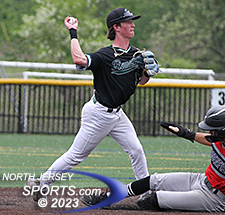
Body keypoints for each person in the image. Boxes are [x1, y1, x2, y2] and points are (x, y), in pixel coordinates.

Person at [27, 7, 160, 201]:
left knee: (136, 150)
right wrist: (73, 32)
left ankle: (146, 193)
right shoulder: (105, 55)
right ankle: (42, 183)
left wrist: (147, 72)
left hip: (117, 114)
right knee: (75, 155)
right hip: (99, 114)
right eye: (128, 21)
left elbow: (141, 81)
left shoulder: (136, 54)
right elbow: (79, 60)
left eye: (133, 21)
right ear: (116, 27)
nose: (132, 25)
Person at [80, 106, 225, 212]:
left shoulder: (219, 138)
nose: (209, 132)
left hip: (214, 198)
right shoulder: (218, 139)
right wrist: (185, 133)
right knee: (152, 181)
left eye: (213, 129)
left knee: (153, 200)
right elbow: (206, 138)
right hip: (201, 179)